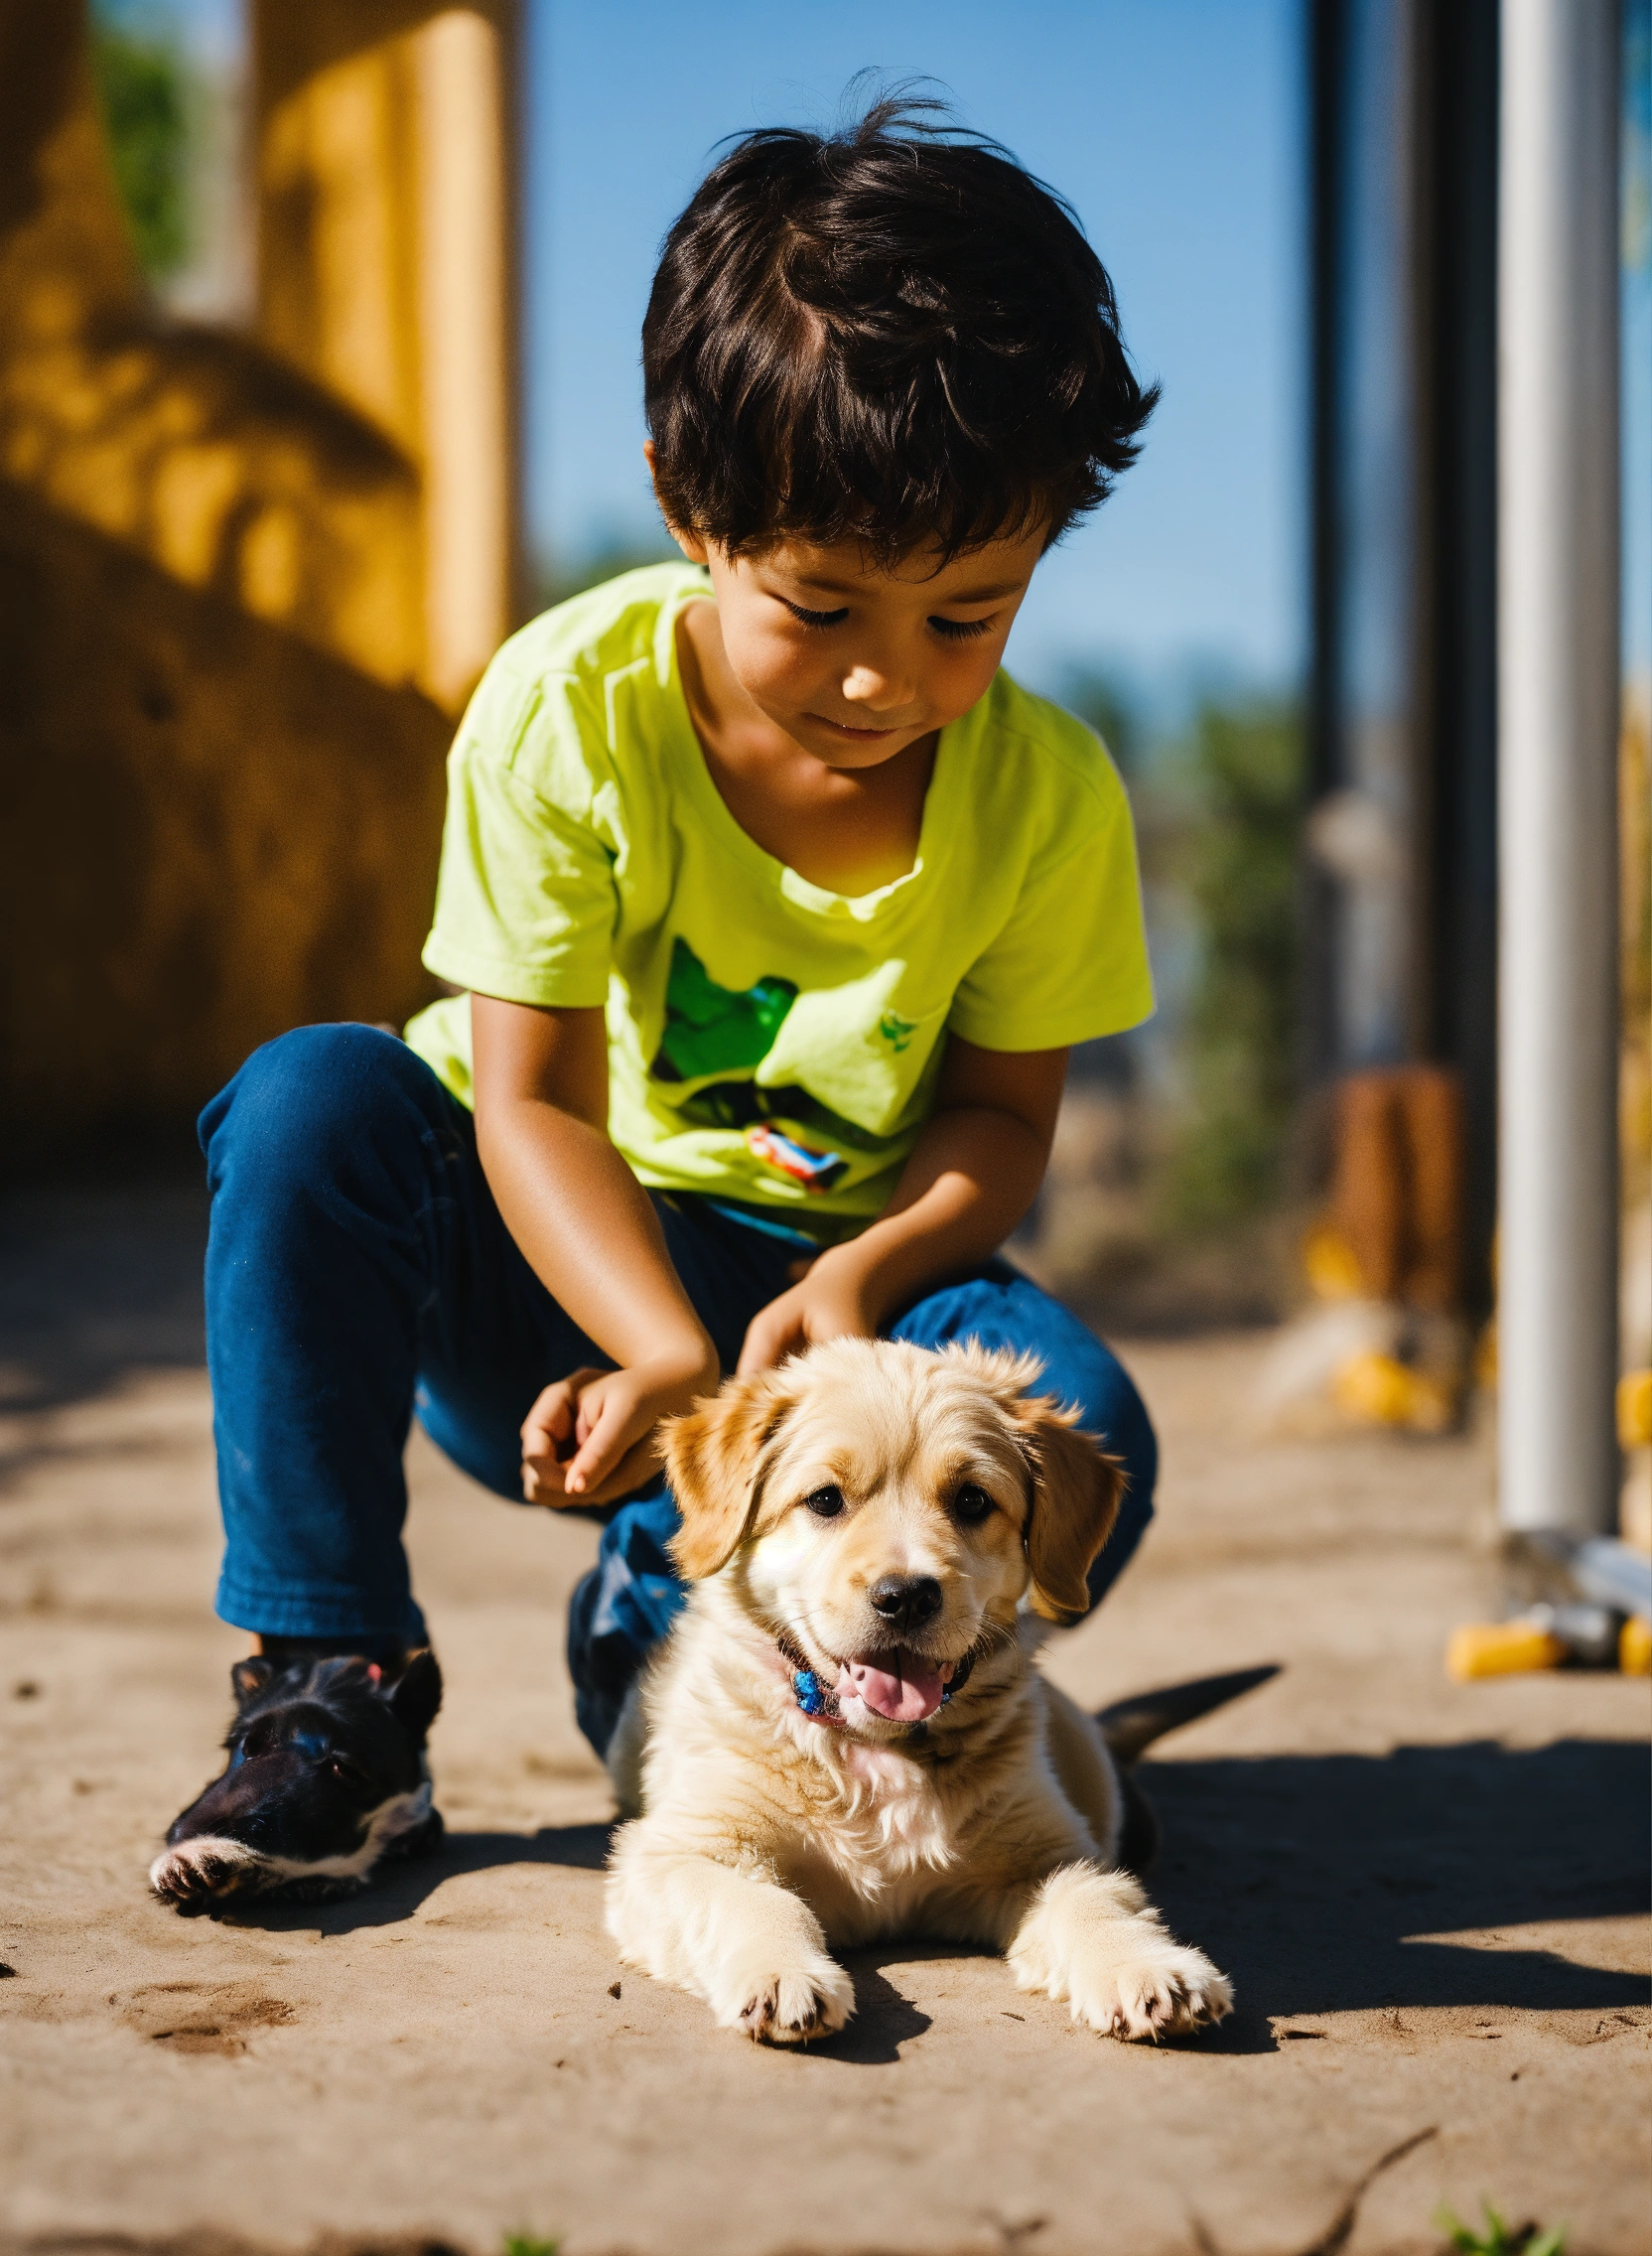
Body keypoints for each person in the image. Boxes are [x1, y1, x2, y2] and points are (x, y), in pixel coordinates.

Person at [172, 95, 1163, 1880]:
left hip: (840, 1301)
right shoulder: (569, 709)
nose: (884, 682)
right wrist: (662, 1355)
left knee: (1094, 1419)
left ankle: (733, 1651)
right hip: (557, 1272)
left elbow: (1004, 1122)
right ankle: (333, 1688)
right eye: (823, 605)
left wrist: (858, 1279)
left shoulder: (1049, 795)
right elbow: (530, 1096)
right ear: (688, 510)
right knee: (311, 1099)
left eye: (968, 617)